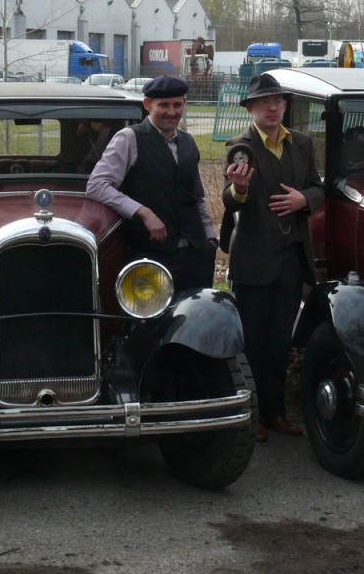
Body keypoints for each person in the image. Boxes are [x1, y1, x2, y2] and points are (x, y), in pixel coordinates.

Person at [223, 73, 325, 442]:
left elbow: (318, 187)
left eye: (278, 101)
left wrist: (305, 200)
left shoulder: (302, 144)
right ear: (250, 108)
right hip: (254, 258)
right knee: (251, 341)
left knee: (281, 341)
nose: (272, 107)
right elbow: (228, 199)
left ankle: (276, 411)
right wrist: (240, 188)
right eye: (265, 102)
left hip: (291, 257)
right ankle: (251, 417)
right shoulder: (240, 146)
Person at [86, 74, 218, 290]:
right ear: (148, 105)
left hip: (196, 255)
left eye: (177, 104)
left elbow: (196, 196)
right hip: (152, 256)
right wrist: (143, 212)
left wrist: (210, 239)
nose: (172, 112)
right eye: (164, 105)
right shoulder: (129, 138)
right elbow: (97, 186)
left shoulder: (188, 141)